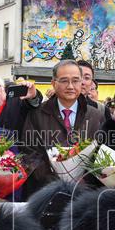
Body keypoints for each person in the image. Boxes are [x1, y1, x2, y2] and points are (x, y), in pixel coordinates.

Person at [20, 59, 104, 196]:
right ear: (53, 83)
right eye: (64, 81)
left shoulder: (95, 116)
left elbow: (100, 154)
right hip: (45, 192)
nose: (70, 86)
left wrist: (83, 181)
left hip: (84, 194)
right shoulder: (37, 114)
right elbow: (30, 153)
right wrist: (54, 181)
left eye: (76, 80)